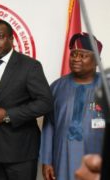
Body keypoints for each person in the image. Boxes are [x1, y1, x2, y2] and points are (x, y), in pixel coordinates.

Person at [0, 19, 53, 180]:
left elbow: (46, 102)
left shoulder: (30, 66)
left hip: (21, 151)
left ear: (11, 39)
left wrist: (8, 114)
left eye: (0, 36)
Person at [40, 33, 104, 180]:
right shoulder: (56, 87)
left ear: (96, 61)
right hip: (62, 158)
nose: (76, 58)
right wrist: (47, 160)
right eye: (73, 54)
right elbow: (49, 126)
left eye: (83, 55)